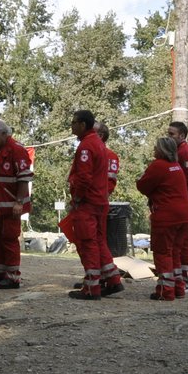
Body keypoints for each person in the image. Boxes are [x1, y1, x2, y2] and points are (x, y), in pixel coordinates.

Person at [136, 136, 188, 301]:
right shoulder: (176, 166)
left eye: (156, 147)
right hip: (184, 215)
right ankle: (179, 287)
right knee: (175, 251)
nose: (153, 150)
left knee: (163, 252)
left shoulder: (158, 166)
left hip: (166, 215)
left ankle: (165, 291)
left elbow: (143, 186)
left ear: (161, 150)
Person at [65, 109, 111, 300]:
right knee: (98, 241)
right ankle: (111, 278)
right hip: (98, 200)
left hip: (87, 202)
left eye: (74, 122)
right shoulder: (98, 143)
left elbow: (83, 178)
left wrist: (76, 198)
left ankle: (92, 287)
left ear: (83, 125)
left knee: (87, 242)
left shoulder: (86, 146)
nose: (72, 125)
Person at [0, 119, 33, 289]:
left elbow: (24, 178)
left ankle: (13, 277)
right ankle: (0, 273)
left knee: (9, 239)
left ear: (5, 134)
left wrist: (19, 202)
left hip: (12, 205)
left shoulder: (17, 150)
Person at [167, 120, 188, 292]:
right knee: (177, 242)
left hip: (186, 201)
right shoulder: (177, 151)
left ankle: (187, 280)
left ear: (181, 135)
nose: (169, 137)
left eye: (171, 134)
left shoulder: (185, 153)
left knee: (184, 241)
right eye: (168, 134)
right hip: (181, 201)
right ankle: (178, 278)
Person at [94, 121, 124, 291]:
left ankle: (105, 276)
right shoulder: (89, 151)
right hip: (90, 202)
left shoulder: (110, 155)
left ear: (101, 136)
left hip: (97, 202)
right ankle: (95, 275)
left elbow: (110, 182)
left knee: (96, 239)